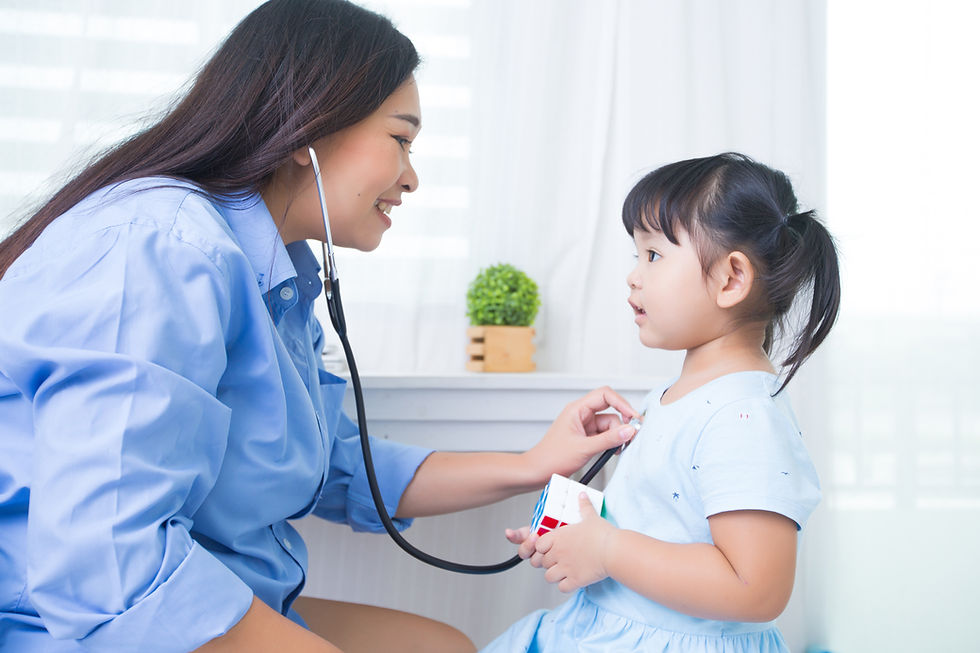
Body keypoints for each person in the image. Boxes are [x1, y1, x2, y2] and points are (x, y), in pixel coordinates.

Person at [0, 2, 639, 651]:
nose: (412, 177)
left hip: (223, 592)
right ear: (310, 128)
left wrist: (533, 464)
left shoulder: (272, 277)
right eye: (401, 138)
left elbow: (338, 464)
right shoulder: (159, 250)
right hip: (77, 626)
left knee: (444, 645)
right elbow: (110, 566)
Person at [483, 152, 841, 652]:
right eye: (636, 255)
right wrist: (575, 535)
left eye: (653, 255)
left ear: (730, 279)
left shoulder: (744, 419)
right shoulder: (674, 397)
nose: (633, 276)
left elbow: (756, 588)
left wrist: (607, 549)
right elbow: (662, 521)